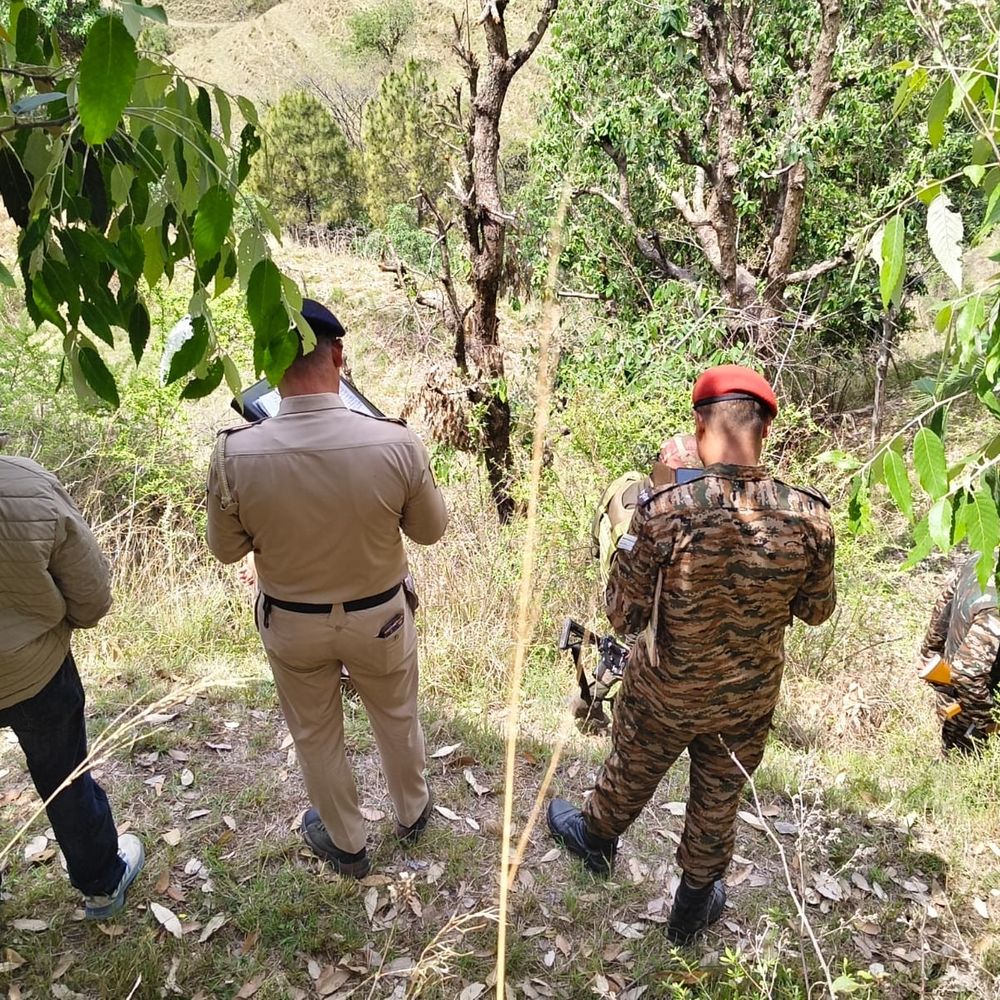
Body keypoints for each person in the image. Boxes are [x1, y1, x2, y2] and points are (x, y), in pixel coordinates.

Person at [547, 365, 837, 943]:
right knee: (719, 793)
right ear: (764, 429)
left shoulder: (666, 510)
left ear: (701, 424)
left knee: (634, 764)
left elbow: (622, 615)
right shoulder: (809, 516)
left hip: (666, 689)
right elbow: (816, 611)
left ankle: (597, 840)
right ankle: (691, 906)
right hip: (747, 695)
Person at [206, 300, 448, 878]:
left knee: (315, 733)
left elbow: (226, 549)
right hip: (381, 619)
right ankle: (412, 812)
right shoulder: (394, 442)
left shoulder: (235, 452)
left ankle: (346, 841)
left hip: (291, 623)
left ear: (268, 363)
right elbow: (430, 531)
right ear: (338, 355)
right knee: (396, 713)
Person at [0, 453, 144, 918]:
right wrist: (69, 620)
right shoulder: (27, 484)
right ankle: (101, 881)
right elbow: (91, 593)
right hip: (34, 669)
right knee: (64, 777)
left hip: (33, 665)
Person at [920, 554, 1000, 752]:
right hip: (972, 704)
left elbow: (943, 606)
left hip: (955, 691)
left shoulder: (984, 556)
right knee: (965, 761)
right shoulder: (995, 611)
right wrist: (991, 724)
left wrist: (929, 653)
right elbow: (967, 675)